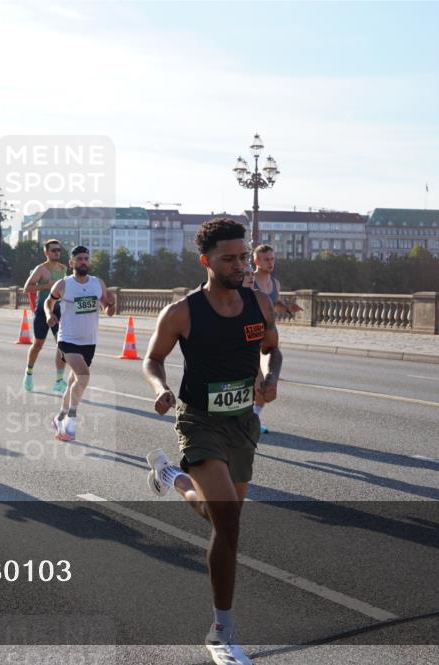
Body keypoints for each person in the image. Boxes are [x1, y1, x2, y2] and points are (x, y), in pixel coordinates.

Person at [142, 218, 282, 665]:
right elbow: (152, 358)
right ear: (206, 261)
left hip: (242, 424)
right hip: (199, 421)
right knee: (229, 524)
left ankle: (171, 475)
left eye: (244, 256)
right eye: (230, 258)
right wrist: (159, 389)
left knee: (216, 514)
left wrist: (270, 375)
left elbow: (272, 349)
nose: (240, 265)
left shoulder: (259, 303)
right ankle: (222, 631)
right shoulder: (182, 311)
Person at [43, 246, 115, 441]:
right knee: (83, 376)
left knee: (74, 382)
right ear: (71, 263)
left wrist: (112, 304)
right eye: (80, 259)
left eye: (86, 259)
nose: (84, 262)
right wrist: (49, 315)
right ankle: (71, 418)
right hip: (68, 339)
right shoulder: (63, 285)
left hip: (89, 341)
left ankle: (59, 417)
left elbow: (108, 310)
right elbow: (48, 303)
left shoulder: (97, 283)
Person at [250, 245, 302, 434]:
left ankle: (254, 418)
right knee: (255, 381)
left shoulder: (275, 283)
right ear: (256, 261)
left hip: (268, 337)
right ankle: (248, 420)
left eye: (272, 259)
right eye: (266, 259)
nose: (270, 263)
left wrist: (287, 307)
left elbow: (274, 305)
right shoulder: (248, 280)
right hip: (248, 336)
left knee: (266, 384)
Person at [21, 239, 68, 394]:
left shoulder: (63, 269)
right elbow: (27, 288)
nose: (57, 252)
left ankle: (59, 380)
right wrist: (47, 286)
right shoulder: (41, 269)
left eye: (58, 250)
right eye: (53, 250)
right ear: (46, 252)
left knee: (62, 344)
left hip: (58, 310)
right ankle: (28, 374)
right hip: (42, 311)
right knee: (38, 345)